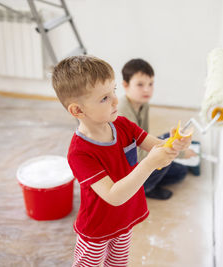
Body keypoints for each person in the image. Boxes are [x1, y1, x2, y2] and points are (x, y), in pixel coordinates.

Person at [51, 55, 191, 267]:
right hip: (96, 230)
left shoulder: (123, 125)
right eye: (104, 98)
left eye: (114, 91)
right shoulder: (80, 153)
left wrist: (176, 143)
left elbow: (158, 147)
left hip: (124, 219)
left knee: (118, 264)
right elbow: (113, 196)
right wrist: (149, 163)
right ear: (77, 110)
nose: (116, 100)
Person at [118, 58, 200, 200]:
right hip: (127, 165)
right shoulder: (122, 113)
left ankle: (147, 182)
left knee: (180, 172)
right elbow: (136, 154)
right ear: (125, 85)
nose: (147, 89)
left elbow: (143, 137)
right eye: (140, 84)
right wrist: (178, 153)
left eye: (150, 84)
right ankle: (145, 189)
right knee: (163, 157)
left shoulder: (143, 104)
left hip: (138, 152)